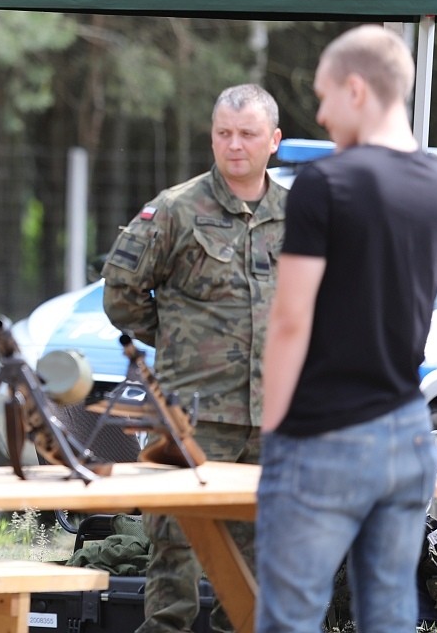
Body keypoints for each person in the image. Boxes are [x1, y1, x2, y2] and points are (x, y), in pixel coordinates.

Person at [257, 25, 437, 633]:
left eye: (325, 95)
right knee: (389, 617)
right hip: (410, 432)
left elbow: (290, 319)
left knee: (291, 618)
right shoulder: (436, 185)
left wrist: (275, 430)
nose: (320, 112)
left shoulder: (325, 184)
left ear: (357, 89)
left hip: (324, 433)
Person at [102, 84, 287, 633]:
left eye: (248, 134)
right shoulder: (177, 209)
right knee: (174, 554)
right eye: (223, 133)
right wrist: (180, 342)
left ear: (273, 141)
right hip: (192, 414)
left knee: (257, 559)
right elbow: (121, 293)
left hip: (273, 416)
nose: (234, 146)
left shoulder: (301, 216)